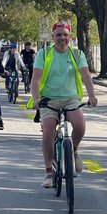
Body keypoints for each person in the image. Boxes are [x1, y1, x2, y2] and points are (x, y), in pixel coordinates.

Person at [32, 22, 98, 183]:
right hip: (49, 99)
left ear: (70, 37)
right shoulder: (44, 53)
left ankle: (73, 152)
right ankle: (49, 173)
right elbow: (36, 79)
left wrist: (92, 95)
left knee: (80, 125)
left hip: (71, 99)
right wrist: (36, 99)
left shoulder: (77, 54)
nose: (62, 38)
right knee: (48, 131)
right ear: (53, 37)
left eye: (65, 35)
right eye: (59, 35)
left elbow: (86, 76)